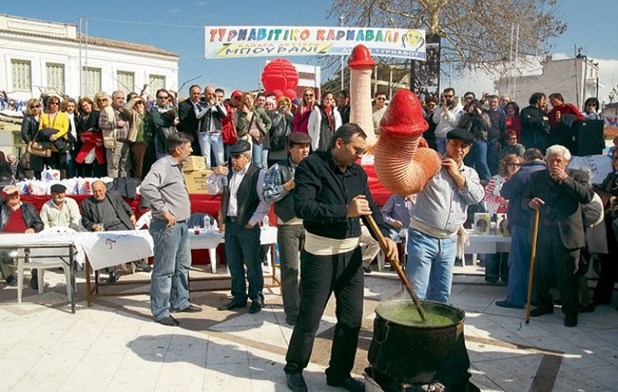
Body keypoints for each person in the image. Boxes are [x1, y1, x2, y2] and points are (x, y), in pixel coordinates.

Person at [284, 124, 398, 392]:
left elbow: (370, 209)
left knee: (351, 319)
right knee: (310, 319)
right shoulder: (312, 166)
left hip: (351, 255)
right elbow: (303, 206)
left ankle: (338, 373)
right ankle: (294, 368)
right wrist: (344, 211)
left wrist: (385, 237)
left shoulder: (357, 172)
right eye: (356, 150)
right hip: (320, 254)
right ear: (338, 143)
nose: (359, 156)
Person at [406, 128, 484, 303]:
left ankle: (434, 329)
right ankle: (411, 328)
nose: (459, 149)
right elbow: (410, 180)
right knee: (417, 292)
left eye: (464, 146)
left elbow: (476, 197)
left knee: (441, 294)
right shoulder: (431, 165)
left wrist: (457, 175)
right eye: (454, 144)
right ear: (446, 144)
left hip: (449, 241)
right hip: (422, 236)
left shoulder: (470, 173)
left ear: (469, 149)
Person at [524, 144, 594, 327]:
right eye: (551, 160)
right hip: (543, 233)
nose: (554, 163)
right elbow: (524, 199)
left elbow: (587, 196)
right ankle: (545, 305)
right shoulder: (536, 177)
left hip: (568, 234)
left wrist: (566, 180)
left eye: (558, 160)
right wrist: (530, 202)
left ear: (566, 162)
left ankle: (570, 311)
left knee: (568, 276)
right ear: (545, 161)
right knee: (542, 273)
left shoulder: (579, 175)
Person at [140, 132, 201, 326]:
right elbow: (147, 186)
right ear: (178, 149)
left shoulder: (176, 166)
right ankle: (160, 311)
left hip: (181, 224)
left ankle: (180, 301)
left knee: (182, 266)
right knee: (164, 270)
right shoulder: (163, 165)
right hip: (167, 225)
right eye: (188, 147)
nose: (191, 150)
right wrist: (164, 210)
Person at [207, 139, 270, 314]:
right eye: (232, 157)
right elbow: (211, 190)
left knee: (252, 264)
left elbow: (265, 200)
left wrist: (254, 220)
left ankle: (257, 297)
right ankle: (239, 296)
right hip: (231, 224)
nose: (233, 160)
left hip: (247, 225)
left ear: (247, 157)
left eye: (237, 157)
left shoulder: (258, 174)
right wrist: (214, 174)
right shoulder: (227, 174)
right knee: (234, 264)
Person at [262, 132, 311, 326]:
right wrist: (287, 186)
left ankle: (307, 307)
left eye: (307, 146)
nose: (305, 150)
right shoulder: (277, 168)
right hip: (288, 225)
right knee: (291, 269)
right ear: (290, 149)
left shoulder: (314, 167)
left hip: (310, 225)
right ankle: (292, 311)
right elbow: (266, 196)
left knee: (310, 269)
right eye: (300, 147)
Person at [495, 148, 546, 309]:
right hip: (546, 225)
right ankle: (536, 297)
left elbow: (505, 192)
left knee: (518, 262)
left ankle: (515, 299)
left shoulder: (523, 173)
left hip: (523, 223)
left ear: (526, 159)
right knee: (537, 263)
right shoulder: (547, 172)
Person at [80, 180, 143, 281]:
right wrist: (93, 226)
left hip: (121, 225)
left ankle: (139, 261)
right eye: (95, 191)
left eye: (100, 190)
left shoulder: (114, 195)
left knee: (131, 238)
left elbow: (125, 205)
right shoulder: (86, 204)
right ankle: (112, 272)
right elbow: (85, 221)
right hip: (105, 231)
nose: (98, 193)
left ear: (105, 189)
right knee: (106, 246)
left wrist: (131, 214)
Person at [483, 154, 523, 284]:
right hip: (495, 215)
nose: (515, 167)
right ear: (506, 165)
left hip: (512, 216)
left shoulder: (521, 180)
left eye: (518, 165)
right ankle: (491, 275)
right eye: (512, 164)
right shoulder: (496, 179)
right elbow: (486, 196)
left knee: (508, 248)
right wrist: (499, 200)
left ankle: (506, 276)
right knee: (492, 247)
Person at [0, 185, 44, 288]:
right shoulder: (1, 207)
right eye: (11, 194)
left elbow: (39, 224)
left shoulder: (29, 207)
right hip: (5, 240)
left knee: (37, 251)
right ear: (5, 196)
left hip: (26, 239)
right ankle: (8, 276)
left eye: (17, 193)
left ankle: (35, 277)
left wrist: (33, 229)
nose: (15, 196)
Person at [99, 90, 131, 177]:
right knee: (113, 167)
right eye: (118, 98)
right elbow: (101, 124)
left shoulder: (125, 111)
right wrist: (116, 124)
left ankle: (123, 186)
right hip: (114, 143)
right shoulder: (107, 110)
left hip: (127, 143)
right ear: (113, 99)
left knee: (125, 167)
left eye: (123, 98)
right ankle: (114, 188)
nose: (121, 100)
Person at [236, 92, 272, 169]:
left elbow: (269, 121)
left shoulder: (259, 110)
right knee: (252, 162)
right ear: (244, 100)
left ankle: (262, 179)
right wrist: (244, 114)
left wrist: (265, 130)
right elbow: (239, 126)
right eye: (247, 98)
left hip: (258, 138)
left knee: (260, 163)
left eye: (251, 98)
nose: (249, 100)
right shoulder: (240, 112)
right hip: (248, 138)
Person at [195, 86, 227, 168]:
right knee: (206, 160)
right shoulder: (198, 104)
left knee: (220, 159)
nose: (211, 96)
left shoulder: (219, 104)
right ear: (204, 94)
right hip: (204, 134)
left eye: (213, 94)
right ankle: (207, 179)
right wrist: (208, 106)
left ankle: (221, 179)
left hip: (217, 135)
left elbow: (224, 115)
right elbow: (198, 116)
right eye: (209, 94)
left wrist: (216, 104)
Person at [75, 96, 106, 178]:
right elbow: (79, 129)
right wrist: (81, 137)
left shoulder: (97, 114)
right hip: (86, 143)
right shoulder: (81, 117)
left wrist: (100, 140)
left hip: (97, 142)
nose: (85, 107)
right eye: (83, 106)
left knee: (98, 164)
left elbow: (101, 129)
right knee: (87, 164)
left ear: (91, 104)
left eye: (86, 105)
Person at [432, 88, 463, 155]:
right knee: (440, 158)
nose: (447, 98)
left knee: (449, 157)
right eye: (446, 96)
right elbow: (435, 121)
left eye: (450, 96)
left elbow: (455, 123)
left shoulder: (458, 108)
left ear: (454, 96)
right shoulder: (439, 107)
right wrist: (441, 110)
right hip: (439, 136)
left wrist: (447, 112)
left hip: (449, 137)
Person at [177, 84, 202, 155]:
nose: (196, 95)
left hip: (202, 136)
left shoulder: (202, 104)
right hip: (190, 136)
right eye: (194, 93)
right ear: (190, 93)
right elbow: (183, 121)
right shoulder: (183, 105)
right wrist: (195, 131)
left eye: (198, 93)